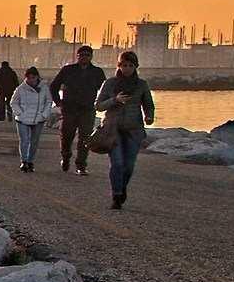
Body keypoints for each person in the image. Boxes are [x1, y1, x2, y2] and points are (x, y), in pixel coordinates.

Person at [96, 50, 156, 209]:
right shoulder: (110, 83)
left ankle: (122, 187)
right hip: (112, 129)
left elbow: (148, 104)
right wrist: (115, 100)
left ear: (136, 67)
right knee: (117, 162)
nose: (127, 69)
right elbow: (99, 105)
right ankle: (116, 195)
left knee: (128, 165)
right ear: (119, 66)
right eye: (124, 65)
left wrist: (149, 117)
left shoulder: (141, 84)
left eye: (130, 66)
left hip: (133, 130)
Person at [50, 44, 106, 174]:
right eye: (82, 55)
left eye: (87, 55)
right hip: (69, 109)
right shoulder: (68, 70)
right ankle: (65, 156)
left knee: (85, 138)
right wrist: (59, 102)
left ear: (91, 57)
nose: (84, 58)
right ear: (77, 56)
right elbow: (53, 86)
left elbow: (105, 90)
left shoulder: (97, 72)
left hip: (87, 110)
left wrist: (101, 103)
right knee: (66, 137)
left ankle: (81, 165)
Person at [9, 65, 54, 172]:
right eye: (29, 78)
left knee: (34, 141)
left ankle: (30, 161)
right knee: (24, 140)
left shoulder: (44, 89)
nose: (31, 80)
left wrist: (44, 114)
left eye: (33, 78)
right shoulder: (20, 89)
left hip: (38, 119)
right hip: (22, 119)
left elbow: (49, 102)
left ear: (37, 77)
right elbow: (14, 102)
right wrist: (20, 113)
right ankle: (23, 161)